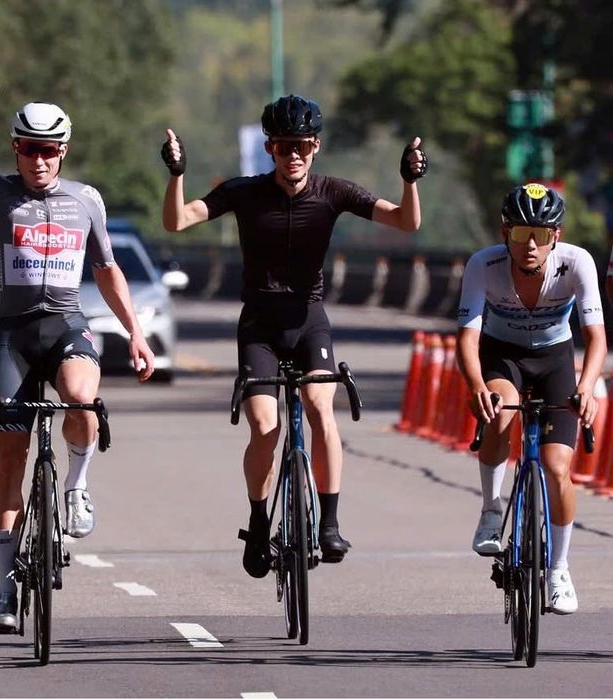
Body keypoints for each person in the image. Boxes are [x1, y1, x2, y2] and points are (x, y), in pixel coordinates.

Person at [0, 55, 156, 633]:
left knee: (82, 403)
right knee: (9, 459)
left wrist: (135, 332)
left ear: (65, 152)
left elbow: (107, 271)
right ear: (15, 150)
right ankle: (4, 588)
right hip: (13, 337)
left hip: (68, 327)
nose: (39, 159)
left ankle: (76, 489)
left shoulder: (87, 200)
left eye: (50, 150)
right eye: (29, 149)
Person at [161, 95, 426, 576]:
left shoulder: (333, 192)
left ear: (316, 146)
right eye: (284, 147)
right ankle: (259, 522)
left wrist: (409, 182)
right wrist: (177, 175)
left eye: (302, 145)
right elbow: (178, 221)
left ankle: (328, 521)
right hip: (260, 324)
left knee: (321, 406)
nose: (294, 155)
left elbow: (405, 222)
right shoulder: (244, 192)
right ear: (270, 148)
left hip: (308, 320)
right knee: (265, 426)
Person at [456, 183, 604, 615]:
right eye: (521, 234)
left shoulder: (577, 262)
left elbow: (595, 337)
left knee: (559, 467)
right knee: (499, 412)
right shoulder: (484, 264)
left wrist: (587, 387)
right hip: (503, 356)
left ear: (556, 236)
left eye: (541, 235)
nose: (531, 245)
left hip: (556, 358)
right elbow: (467, 338)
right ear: (505, 233)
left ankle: (558, 569)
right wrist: (477, 388)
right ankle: (490, 508)